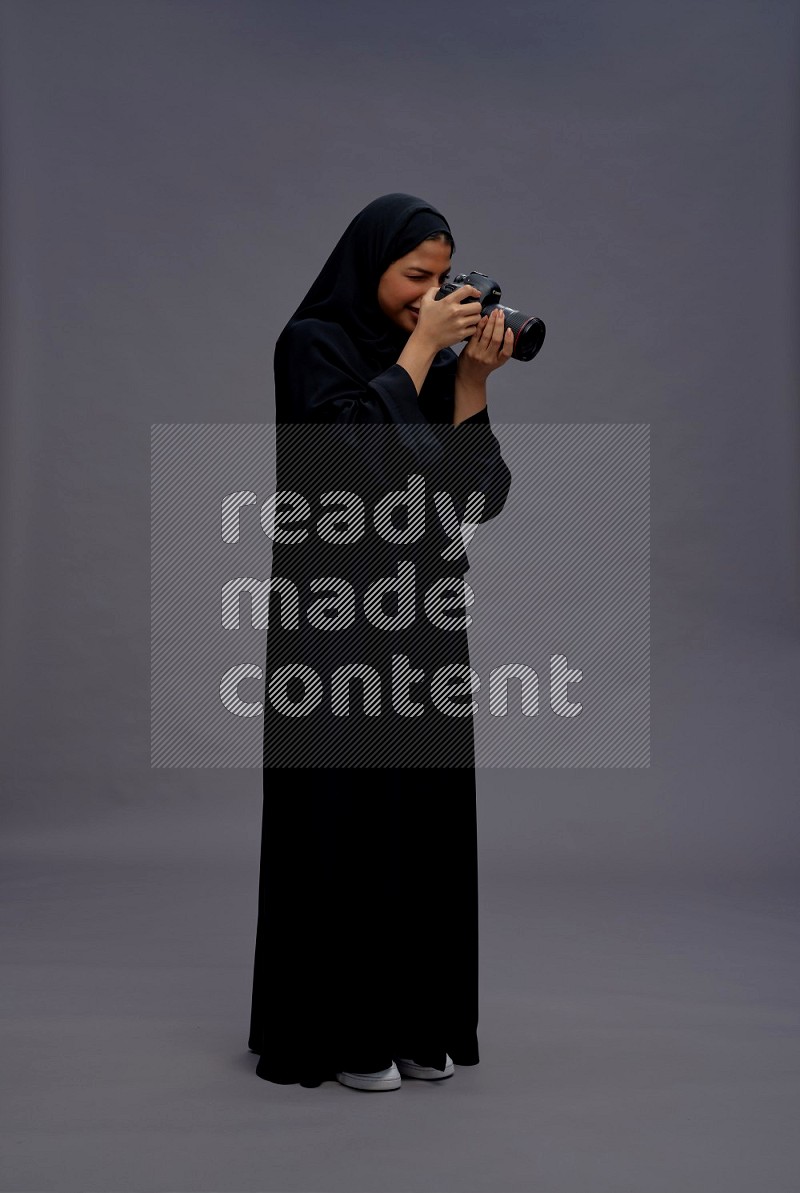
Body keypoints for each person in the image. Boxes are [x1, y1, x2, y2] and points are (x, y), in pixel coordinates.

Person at [247, 192, 513, 1091]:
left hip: (424, 619)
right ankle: (342, 1030)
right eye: (415, 277)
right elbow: (351, 454)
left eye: (443, 278)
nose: (432, 295)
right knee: (346, 818)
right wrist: (421, 352)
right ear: (371, 268)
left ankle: (416, 1022)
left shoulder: (432, 364)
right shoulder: (310, 344)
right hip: (334, 625)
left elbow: (478, 497)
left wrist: (468, 384)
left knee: (423, 824)